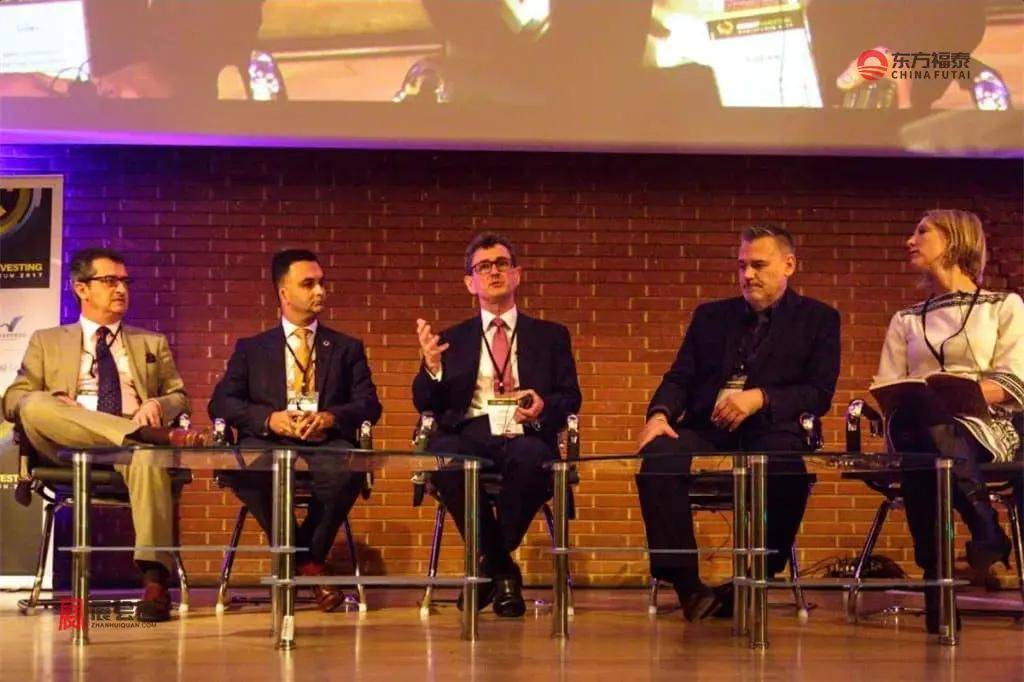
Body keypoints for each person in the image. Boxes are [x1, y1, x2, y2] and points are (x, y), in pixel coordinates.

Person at [635, 224, 840, 621]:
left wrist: (760, 397)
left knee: (787, 468)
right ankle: (688, 586)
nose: (747, 275)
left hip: (771, 429)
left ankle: (758, 576)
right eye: (742, 265)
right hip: (709, 426)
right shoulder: (710, 316)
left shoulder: (819, 319)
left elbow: (818, 394)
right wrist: (659, 415)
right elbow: (679, 377)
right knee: (658, 454)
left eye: (758, 265)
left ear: (789, 265)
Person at [2, 247, 210, 622]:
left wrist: (158, 404)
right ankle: (145, 434)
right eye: (110, 281)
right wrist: (57, 400)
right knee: (34, 404)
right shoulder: (47, 340)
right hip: (65, 442)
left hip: (131, 450)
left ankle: (154, 582)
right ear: (81, 288)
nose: (121, 289)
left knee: (148, 458)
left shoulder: (150, 342)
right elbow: (14, 399)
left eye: (125, 281)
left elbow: (180, 397)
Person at [412, 232, 582, 617]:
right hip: (471, 433)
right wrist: (432, 368)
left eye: (502, 264)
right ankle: (503, 572)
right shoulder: (451, 340)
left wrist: (544, 406)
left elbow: (571, 397)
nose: (494, 272)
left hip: (526, 431)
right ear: (469, 282)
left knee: (534, 460)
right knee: (447, 457)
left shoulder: (551, 336)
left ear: (517, 274)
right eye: (484, 267)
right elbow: (425, 404)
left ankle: (488, 571)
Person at [873, 209, 1023, 633]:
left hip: (985, 426)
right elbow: (887, 385)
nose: (910, 241)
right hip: (919, 427)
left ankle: (935, 585)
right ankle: (985, 528)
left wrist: (961, 394)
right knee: (920, 423)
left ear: (955, 240)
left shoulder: (1003, 306)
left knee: (922, 454)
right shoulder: (905, 319)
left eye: (922, 232)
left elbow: (1016, 379)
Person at [209, 249, 382, 612]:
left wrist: (330, 418)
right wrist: (269, 418)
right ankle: (310, 565)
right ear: (284, 293)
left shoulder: (347, 348)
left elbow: (369, 404)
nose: (320, 291)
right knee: (247, 468)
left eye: (321, 283)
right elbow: (221, 403)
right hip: (267, 441)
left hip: (325, 441)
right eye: (308, 284)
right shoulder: (252, 348)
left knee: (348, 470)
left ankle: (298, 559)